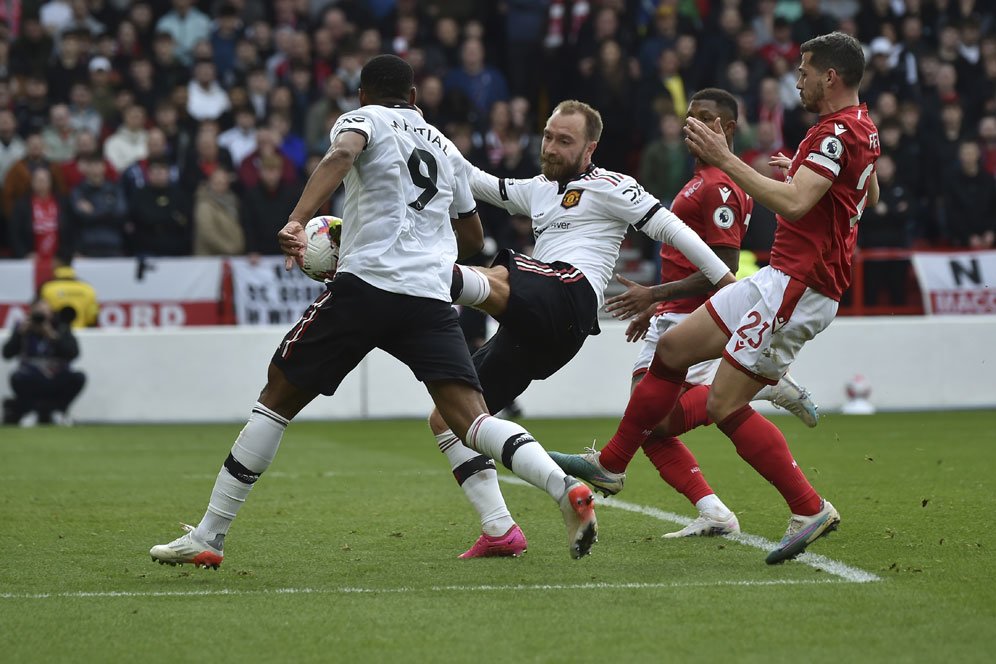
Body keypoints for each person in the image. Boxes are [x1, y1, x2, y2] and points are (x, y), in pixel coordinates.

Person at [149, 55, 598, 569]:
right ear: (414, 98)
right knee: (470, 418)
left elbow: (341, 155)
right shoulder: (443, 145)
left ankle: (210, 534)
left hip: (365, 287)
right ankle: (558, 490)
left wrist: (299, 222)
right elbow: (472, 238)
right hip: (429, 294)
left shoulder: (361, 120)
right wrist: (423, 246)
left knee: (276, 396)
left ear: (363, 94)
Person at [554, 32, 880, 565]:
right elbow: (865, 190)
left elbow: (796, 206)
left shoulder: (834, 134)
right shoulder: (857, 128)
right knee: (674, 350)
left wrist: (731, 161)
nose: (795, 77)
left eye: (804, 69)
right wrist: (801, 175)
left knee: (726, 403)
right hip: (778, 277)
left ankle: (809, 506)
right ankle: (613, 463)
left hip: (801, 286)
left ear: (830, 78)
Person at [428, 98, 739, 557]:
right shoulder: (537, 188)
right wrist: (429, 137)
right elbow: (475, 179)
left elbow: (675, 230)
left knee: (497, 275)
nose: (550, 147)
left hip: (570, 295)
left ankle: (409, 275)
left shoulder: (612, 186)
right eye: (548, 136)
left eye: (564, 141)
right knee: (448, 418)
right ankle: (506, 525)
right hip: (540, 332)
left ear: (589, 148)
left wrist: (727, 283)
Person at [553, 89, 819, 540]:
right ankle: (713, 511)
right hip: (673, 311)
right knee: (651, 425)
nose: (692, 126)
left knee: (654, 418)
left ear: (729, 129)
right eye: (689, 118)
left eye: (706, 119)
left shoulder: (719, 185)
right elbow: (691, 259)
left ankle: (760, 388)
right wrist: (657, 302)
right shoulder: (702, 179)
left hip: (695, 315)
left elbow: (724, 267)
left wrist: (655, 293)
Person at [2, 299, 86, 426]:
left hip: (57, 375)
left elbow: (73, 353)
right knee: (17, 377)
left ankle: (59, 411)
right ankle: (31, 411)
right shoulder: (23, 328)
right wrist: (19, 334)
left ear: (51, 313)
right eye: (37, 312)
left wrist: (53, 336)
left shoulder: (61, 327)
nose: (41, 316)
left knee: (78, 377)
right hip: (33, 375)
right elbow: (6, 354)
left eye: (44, 311)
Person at [39, 263, 99, 329]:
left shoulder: (47, 288)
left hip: (56, 334)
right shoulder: (88, 289)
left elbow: (42, 315)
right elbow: (91, 317)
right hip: (82, 333)